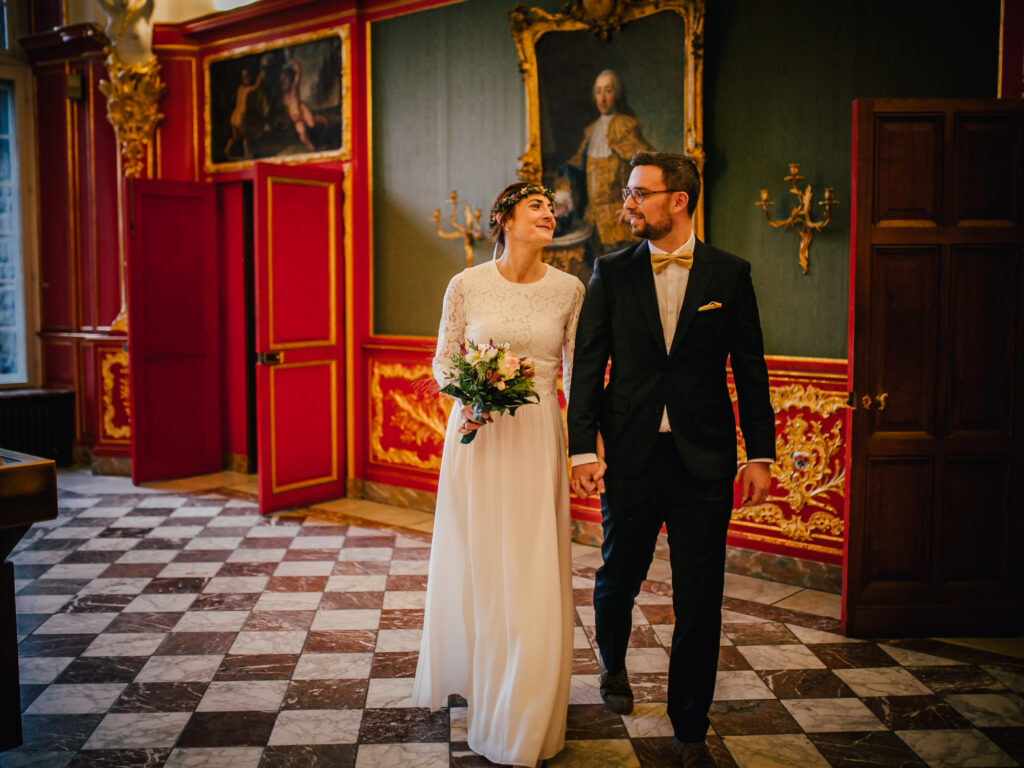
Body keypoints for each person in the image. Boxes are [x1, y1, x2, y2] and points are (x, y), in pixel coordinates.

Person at [566, 152, 775, 768]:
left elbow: (751, 371)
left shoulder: (729, 275)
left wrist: (758, 454)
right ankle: (612, 665)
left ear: (678, 200)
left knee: (700, 597)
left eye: (639, 193)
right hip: (629, 456)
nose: (626, 202)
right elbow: (587, 367)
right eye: (629, 193)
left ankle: (690, 726)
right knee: (617, 578)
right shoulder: (610, 271)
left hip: (704, 460)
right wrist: (583, 447)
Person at [412, 183, 585, 767]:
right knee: (482, 558)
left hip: (537, 434)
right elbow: (443, 358)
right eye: (535, 206)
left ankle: (528, 703)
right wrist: (471, 391)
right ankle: (480, 674)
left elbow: (576, 375)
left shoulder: (570, 289)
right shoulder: (466, 285)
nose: (548, 213)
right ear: (505, 220)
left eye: (551, 207)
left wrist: (588, 451)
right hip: (478, 435)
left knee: (532, 560)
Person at [560, 69, 653, 254]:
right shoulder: (591, 130)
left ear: (617, 94)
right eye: (598, 91)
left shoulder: (626, 126)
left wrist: (634, 205)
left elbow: (649, 169)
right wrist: (563, 199)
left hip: (619, 221)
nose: (602, 98)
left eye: (608, 91)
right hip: (592, 222)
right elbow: (575, 170)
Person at [280, 57, 327, 152]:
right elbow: (286, 111)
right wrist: (287, 122)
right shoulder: (284, 99)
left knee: (312, 123)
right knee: (302, 136)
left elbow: (298, 75)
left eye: (286, 79)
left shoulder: (294, 89)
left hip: (302, 110)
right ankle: (312, 149)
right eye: (282, 80)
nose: (284, 82)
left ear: (290, 80)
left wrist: (297, 66)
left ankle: (321, 119)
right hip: (297, 120)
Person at [225, 67, 264, 159]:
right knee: (245, 136)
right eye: (245, 77)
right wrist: (260, 77)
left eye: (247, 77)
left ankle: (227, 150)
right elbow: (256, 87)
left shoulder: (240, 89)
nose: (247, 79)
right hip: (240, 117)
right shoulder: (247, 90)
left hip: (234, 117)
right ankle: (247, 153)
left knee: (235, 137)